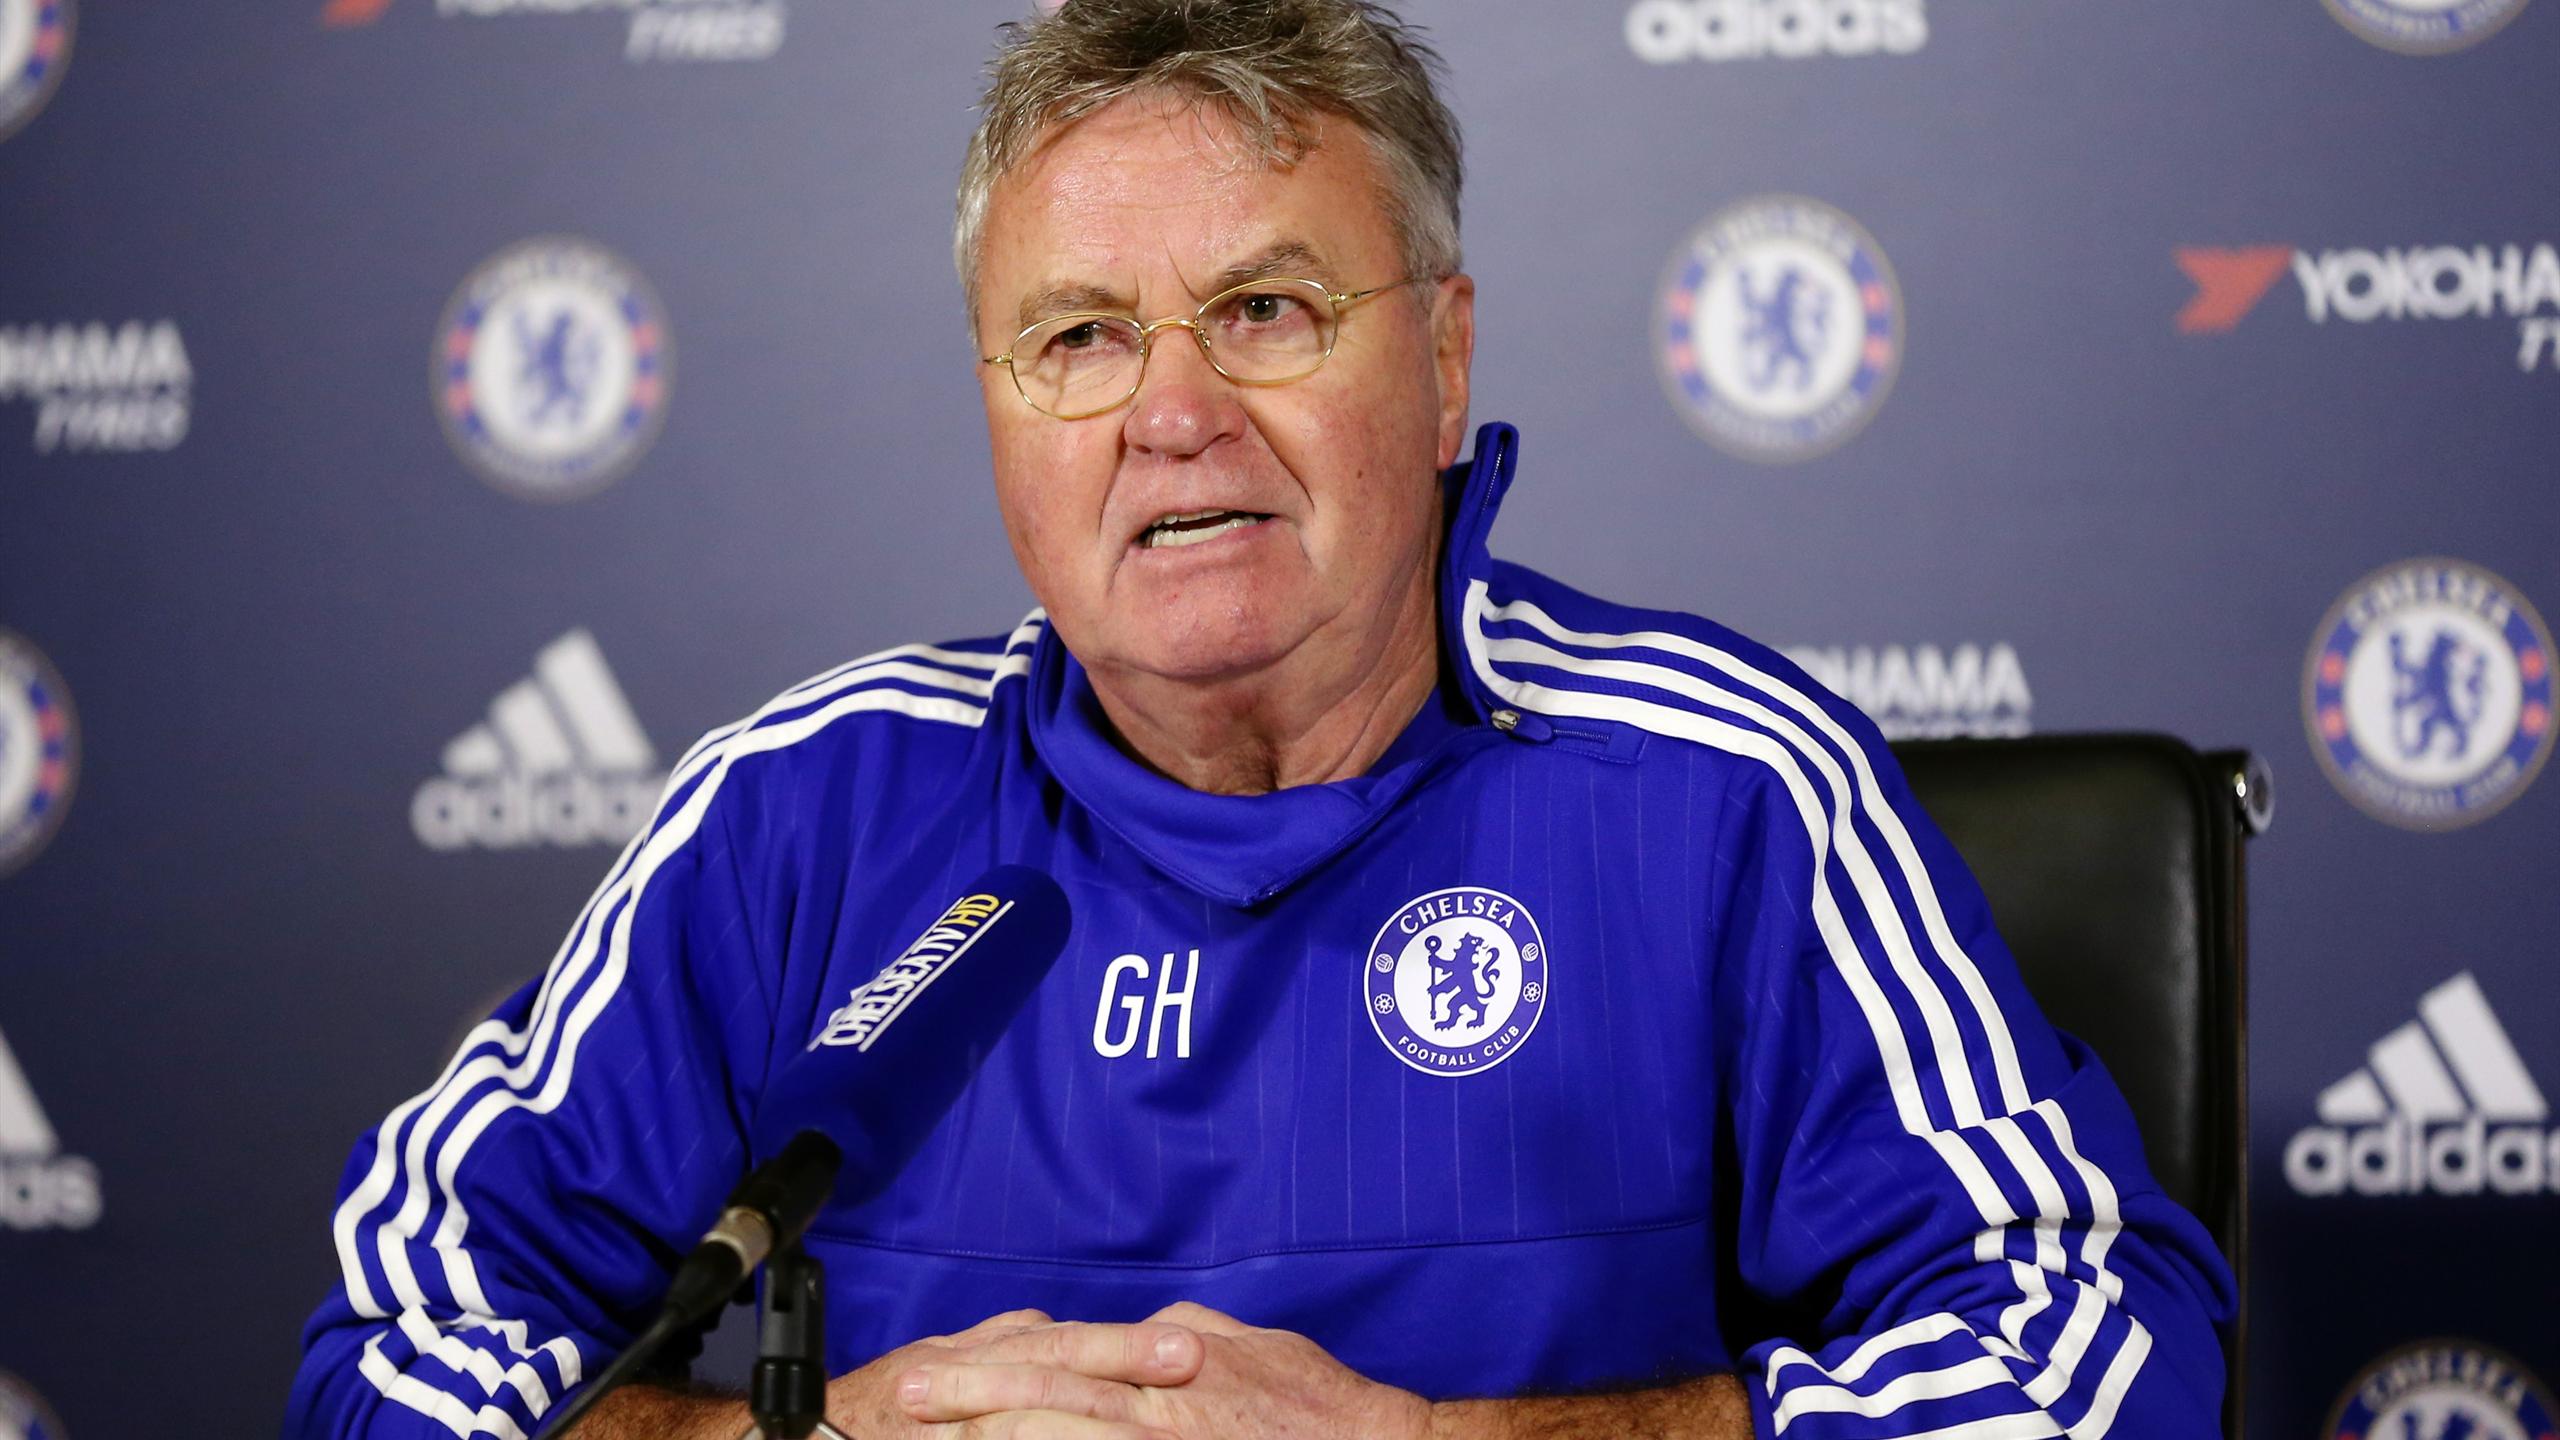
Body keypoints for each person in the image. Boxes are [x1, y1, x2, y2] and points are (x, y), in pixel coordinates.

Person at [288, 2, 2234, 1436]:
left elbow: (2096, 1356)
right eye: (1078, 337)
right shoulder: (803, 819)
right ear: (995, 413)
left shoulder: (1716, 791)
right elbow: (397, 1351)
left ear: (1444, 358)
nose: (1172, 413)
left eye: (1267, 311)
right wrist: (813, 1439)